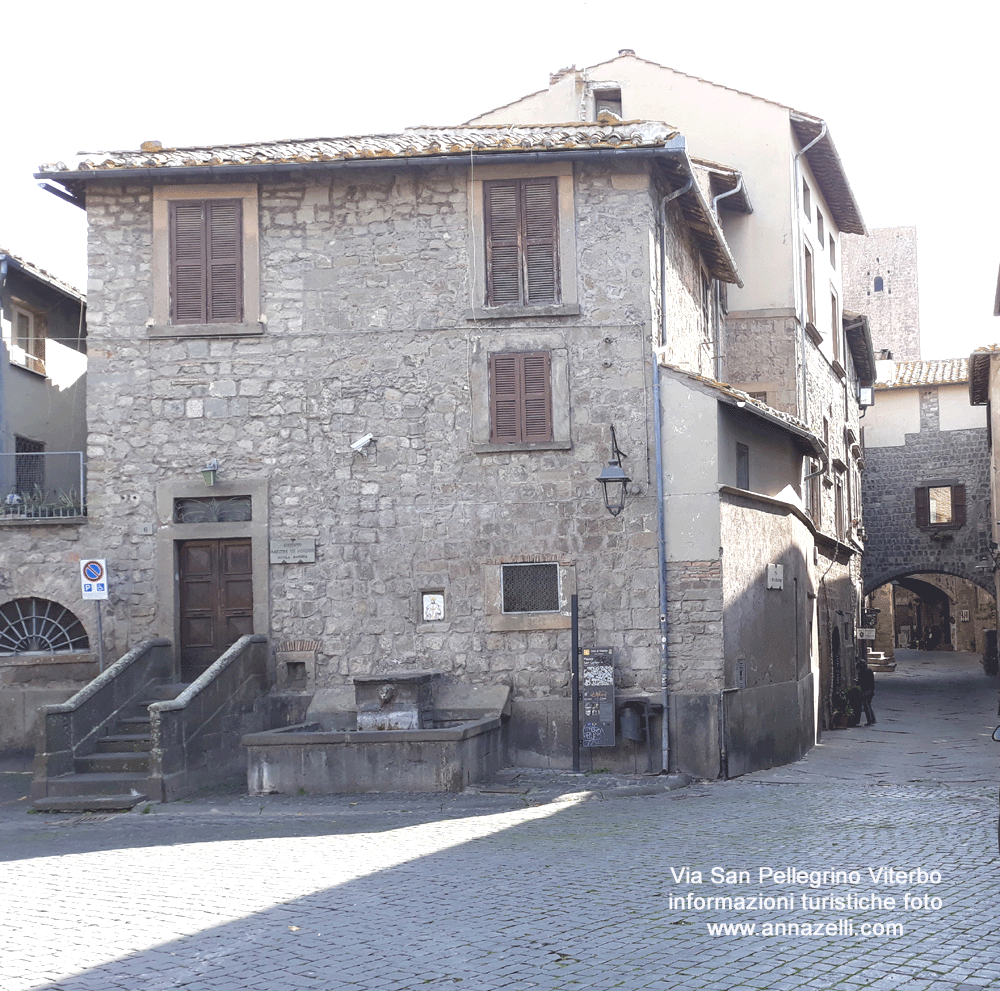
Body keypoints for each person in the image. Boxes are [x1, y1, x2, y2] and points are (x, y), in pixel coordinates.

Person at [856, 658, 876, 725]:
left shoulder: (862, 673)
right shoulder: (869, 671)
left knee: (866, 706)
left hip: (866, 691)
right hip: (871, 690)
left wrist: (856, 682)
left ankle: (870, 720)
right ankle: (873, 719)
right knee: (869, 705)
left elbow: (861, 682)